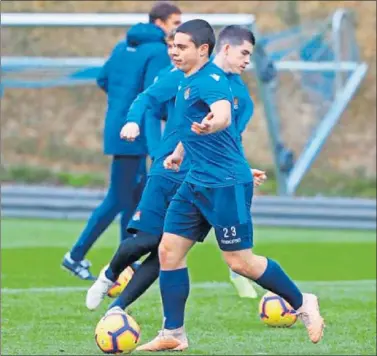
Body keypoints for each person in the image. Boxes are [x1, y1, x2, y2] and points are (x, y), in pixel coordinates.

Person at [134, 19, 325, 352]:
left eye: (182, 47)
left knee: (240, 262)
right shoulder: (185, 80)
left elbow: (220, 114)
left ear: (203, 50)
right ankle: (174, 333)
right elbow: (189, 124)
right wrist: (180, 153)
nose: (174, 52)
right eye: (173, 46)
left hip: (225, 185)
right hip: (196, 181)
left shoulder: (212, 82)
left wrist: (213, 124)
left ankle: (302, 299)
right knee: (168, 252)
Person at [85, 25, 266, 312]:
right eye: (244, 53)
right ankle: (109, 275)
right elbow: (147, 98)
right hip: (169, 172)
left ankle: (117, 309)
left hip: (205, 180)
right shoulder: (184, 76)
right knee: (144, 240)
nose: (247, 61)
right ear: (225, 48)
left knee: (167, 252)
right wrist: (133, 121)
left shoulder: (241, 98)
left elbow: (229, 140)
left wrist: (242, 168)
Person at [61, 2, 182, 280]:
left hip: (117, 125)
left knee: (132, 197)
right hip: (135, 131)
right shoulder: (158, 52)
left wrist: (120, 101)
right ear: (161, 23)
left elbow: (103, 79)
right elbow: (155, 96)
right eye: (175, 23)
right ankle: (75, 255)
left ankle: (125, 259)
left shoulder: (121, 46)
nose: (178, 29)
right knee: (118, 197)